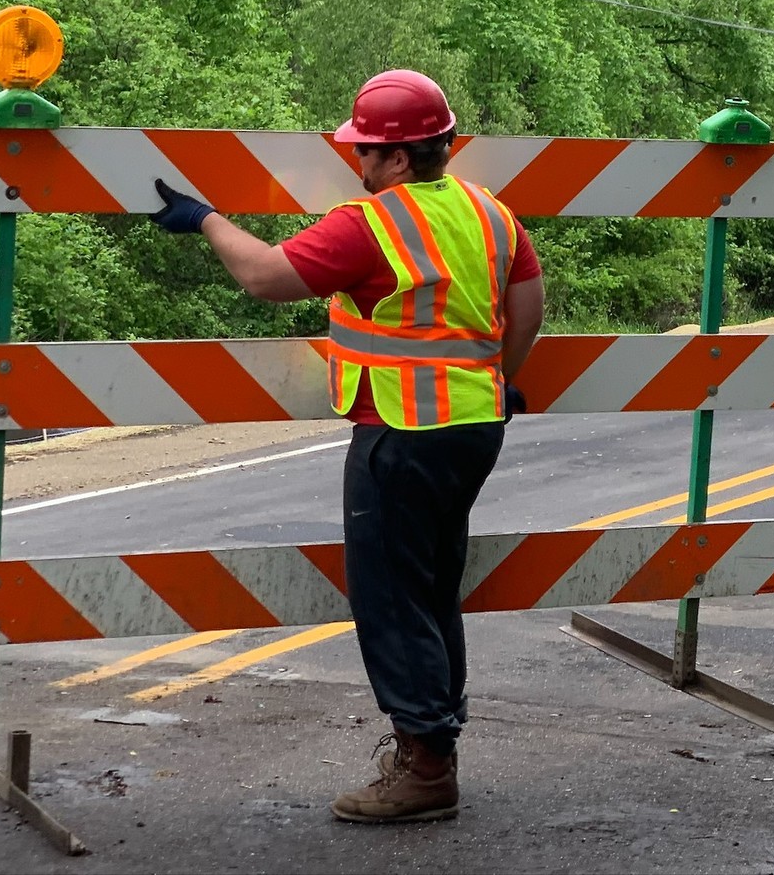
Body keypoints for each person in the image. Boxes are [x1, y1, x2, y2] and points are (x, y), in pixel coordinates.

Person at [149, 69, 544, 825]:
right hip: (476, 427)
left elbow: (265, 275)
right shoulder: (491, 214)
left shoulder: (372, 223)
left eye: (364, 146)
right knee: (431, 587)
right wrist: (497, 375)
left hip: (401, 433)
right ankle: (435, 745)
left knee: (392, 597)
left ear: (396, 158)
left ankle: (425, 768)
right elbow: (528, 304)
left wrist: (204, 218)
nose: (354, 157)